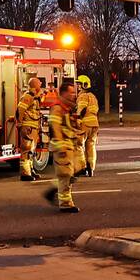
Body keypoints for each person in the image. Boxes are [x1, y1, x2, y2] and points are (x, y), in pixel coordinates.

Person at [44, 81, 85, 213]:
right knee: (65, 175)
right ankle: (65, 203)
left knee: (79, 169)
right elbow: (55, 127)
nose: (74, 95)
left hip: (70, 145)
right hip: (63, 146)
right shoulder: (57, 108)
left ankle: (53, 190)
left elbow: (69, 125)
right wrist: (60, 146)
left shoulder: (67, 108)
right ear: (64, 93)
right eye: (71, 92)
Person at [16, 77, 43, 182]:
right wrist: (19, 123)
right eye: (39, 84)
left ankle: (30, 170)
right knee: (26, 150)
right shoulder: (27, 97)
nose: (40, 86)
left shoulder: (34, 97)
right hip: (28, 128)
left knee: (31, 151)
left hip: (33, 128)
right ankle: (25, 173)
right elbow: (20, 110)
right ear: (35, 85)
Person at [75, 75, 100, 177]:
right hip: (95, 124)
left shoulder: (83, 96)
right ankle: (91, 168)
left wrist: (77, 119)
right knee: (91, 146)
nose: (78, 86)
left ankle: (82, 168)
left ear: (84, 85)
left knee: (79, 145)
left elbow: (82, 109)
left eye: (79, 84)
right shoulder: (93, 97)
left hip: (85, 124)